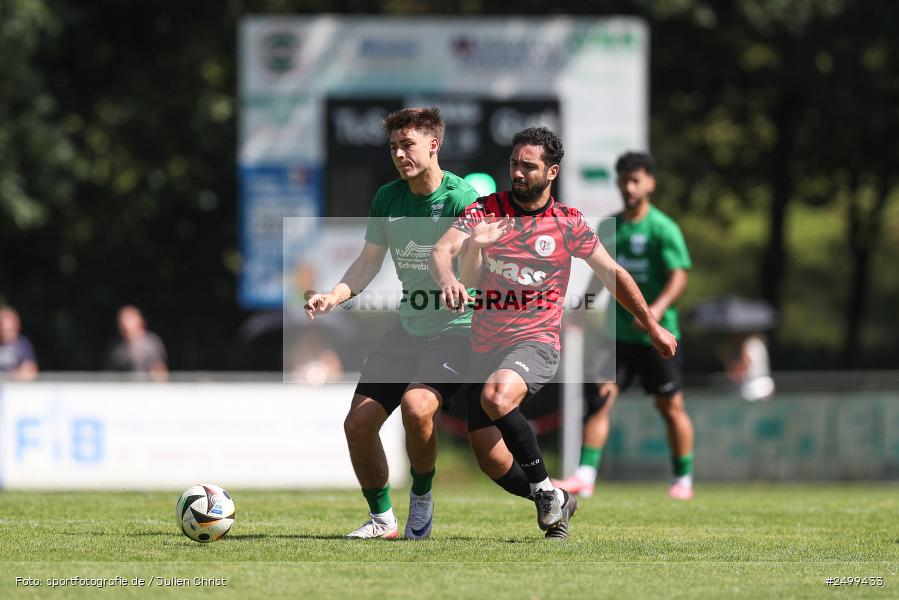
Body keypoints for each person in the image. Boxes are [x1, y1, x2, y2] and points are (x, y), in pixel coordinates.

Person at [430, 128, 678, 540]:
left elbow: (613, 274)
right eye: (515, 163)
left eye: (529, 166)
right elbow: (445, 253)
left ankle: (546, 493)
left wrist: (652, 324)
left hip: (536, 341)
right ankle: (555, 495)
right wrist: (462, 261)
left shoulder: (567, 222)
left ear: (552, 172)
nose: (519, 172)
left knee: (496, 396)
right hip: (484, 346)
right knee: (491, 461)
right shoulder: (486, 210)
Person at [304, 107, 479, 540]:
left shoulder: (463, 198)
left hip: (455, 329)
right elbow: (367, 264)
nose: (399, 154)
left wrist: (462, 279)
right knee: (357, 425)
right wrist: (334, 295)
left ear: (433, 145)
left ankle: (421, 498)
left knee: (419, 410)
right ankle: (382, 520)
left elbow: (480, 263)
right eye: (393, 147)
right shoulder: (387, 197)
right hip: (408, 327)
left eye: (408, 145)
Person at [553, 151, 696, 500]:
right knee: (600, 398)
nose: (629, 187)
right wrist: (581, 307)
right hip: (614, 335)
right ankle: (585, 476)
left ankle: (683, 479)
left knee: (669, 406)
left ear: (650, 183)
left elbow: (679, 276)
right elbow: (602, 273)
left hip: (655, 337)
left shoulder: (663, 228)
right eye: (624, 180)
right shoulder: (608, 226)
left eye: (636, 180)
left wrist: (656, 312)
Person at [106, 305, 169, 381]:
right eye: (122, 320)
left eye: (129, 319)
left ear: (140, 321)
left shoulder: (152, 343)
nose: (124, 323)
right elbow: (109, 375)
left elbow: (160, 371)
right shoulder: (115, 346)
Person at [720, 333, 775, 401]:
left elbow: (744, 367)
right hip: (766, 384)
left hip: (752, 387)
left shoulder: (747, 344)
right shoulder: (760, 343)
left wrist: (726, 359)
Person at [0, 306, 38, 381]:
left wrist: (9, 376)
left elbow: (30, 371)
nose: (8, 333)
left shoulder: (23, 345)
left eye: (10, 330)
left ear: (16, 326)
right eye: (4, 330)